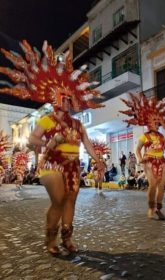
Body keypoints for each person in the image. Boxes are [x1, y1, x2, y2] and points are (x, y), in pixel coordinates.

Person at [0, 40, 105, 255]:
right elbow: (31, 141)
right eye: (65, 98)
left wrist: (98, 159)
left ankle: (67, 238)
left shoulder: (77, 124)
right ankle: (50, 239)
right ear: (56, 99)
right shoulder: (47, 120)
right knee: (58, 199)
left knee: (71, 201)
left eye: (70, 98)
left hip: (73, 165)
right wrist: (51, 142)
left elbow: (87, 143)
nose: (68, 102)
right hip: (51, 163)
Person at [120, 93, 165, 220]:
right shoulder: (144, 136)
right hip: (148, 161)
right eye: (155, 122)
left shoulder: (161, 137)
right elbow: (137, 149)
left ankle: (158, 208)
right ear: (149, 123)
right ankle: (151, 207)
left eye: (158, 123)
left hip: (161, 161)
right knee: (152, 184)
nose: (157, 125)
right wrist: (140, 159)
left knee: (161, 186)